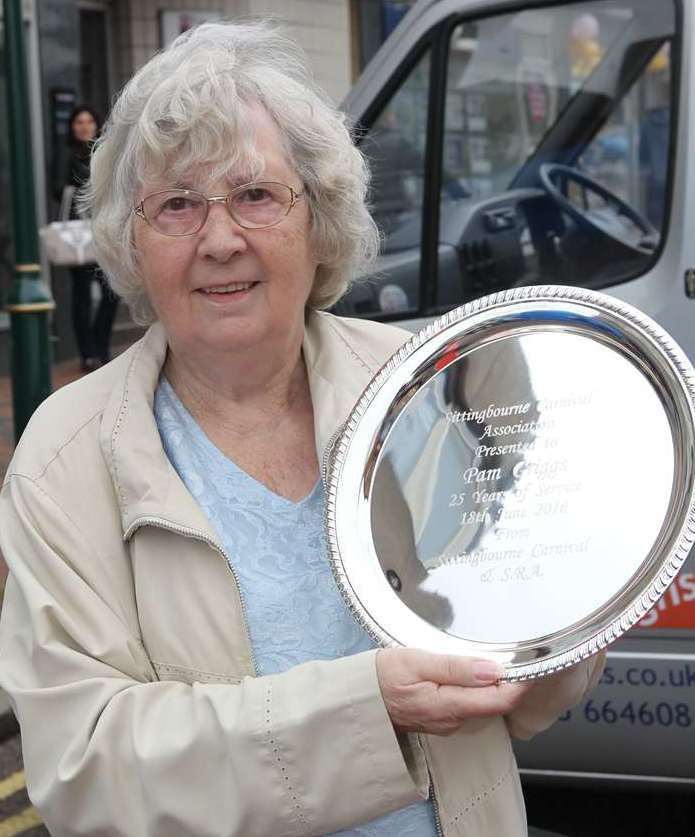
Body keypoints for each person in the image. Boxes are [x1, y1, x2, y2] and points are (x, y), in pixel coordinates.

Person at [0, 22, 604, 836]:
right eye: (176, 204)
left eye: (254, 195)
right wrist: (368, 709)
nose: (219, 239)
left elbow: (521, 669)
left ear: (317, 219)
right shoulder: (63, 454)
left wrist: (570, 620)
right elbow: (84, 769)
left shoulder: (423, 386)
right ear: (131, 243)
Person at [63, 105, 119, 370]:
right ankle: (87, 353)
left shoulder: (106, 152)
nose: (84, 126)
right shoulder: (66, 155)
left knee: (112, 292)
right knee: (81, 295)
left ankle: (101, 345)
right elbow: (57, 189)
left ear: (96, 125)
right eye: (79, 122)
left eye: (88, 121)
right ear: (72, 127)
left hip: (105, 231)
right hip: (79, 236)